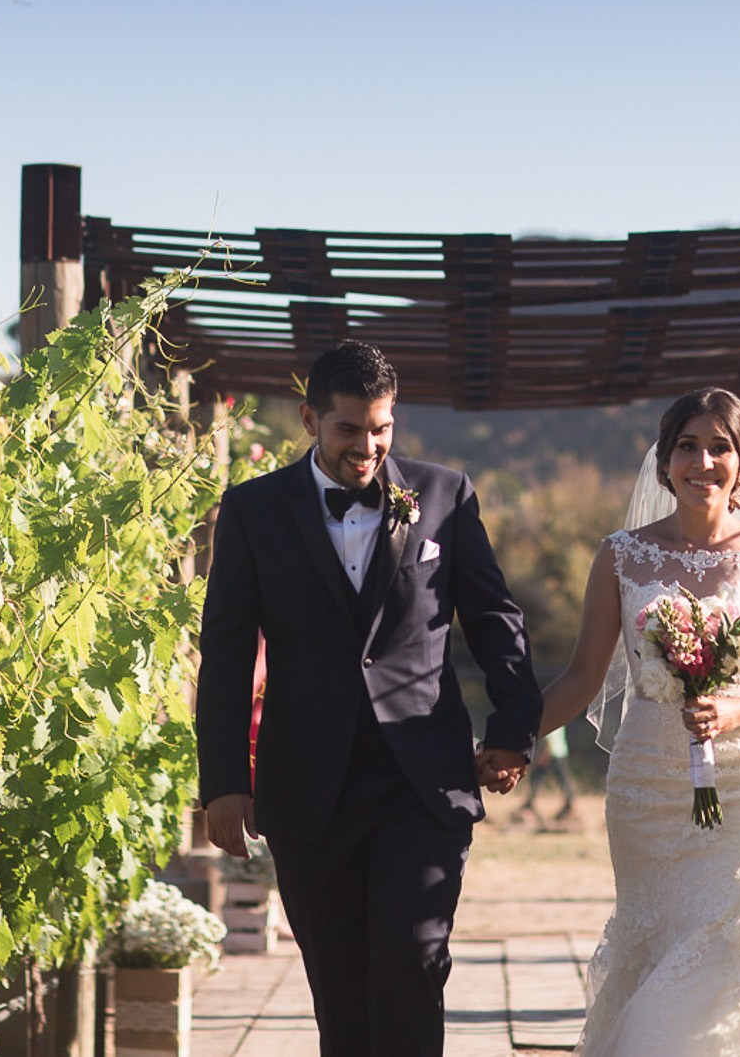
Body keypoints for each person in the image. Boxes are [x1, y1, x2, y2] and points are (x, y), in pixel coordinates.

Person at [196, 340, 543, 1057]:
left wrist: (514, 727)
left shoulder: (445, 495)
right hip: (307, 787)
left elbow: (493, 617)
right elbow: (226, 650)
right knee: (341, 990)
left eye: (381, 428)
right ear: (310, 420)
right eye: (348, 429)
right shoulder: (253, 510)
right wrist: (224, 781)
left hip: (422, 781)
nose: (367, 447)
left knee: (413, 960)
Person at [536, 387, 740, 1056]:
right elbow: (581, 677)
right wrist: (507, 737)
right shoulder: (621, 556)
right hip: (647, 789)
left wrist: (738, 709)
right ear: (664, 462)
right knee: (654, 950)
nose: (703, 461)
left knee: (729, 948)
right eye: (687, 446)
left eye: (720, 447)